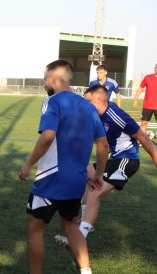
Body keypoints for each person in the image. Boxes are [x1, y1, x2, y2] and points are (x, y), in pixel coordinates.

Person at [19, 60, 109, 274]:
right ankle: (86, 271)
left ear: (52, 79)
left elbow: (47, 136)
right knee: (71, 223)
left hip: (51, 177)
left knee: (36, 226)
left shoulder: (52, 101)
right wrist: (97, 174)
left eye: (44, 79)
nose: (44, 84)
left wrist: (28, 164)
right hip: (77, 179)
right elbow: (103, 145)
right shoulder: (88, 106)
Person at [55, 85, 157, 246]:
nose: (84, 104)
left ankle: (79, 238)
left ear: (98, 100)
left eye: (87, 101)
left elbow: (144, 139)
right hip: (113, 160)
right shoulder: (96, 114)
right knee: (82, 173)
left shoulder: (116, 115)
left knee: (96, 192)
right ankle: (86, 221)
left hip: (127, 160)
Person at [133, 63, 157, 133]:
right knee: (144, 123)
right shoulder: (147, 77)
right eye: (156, 67)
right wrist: (135, 99)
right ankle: (142, 141)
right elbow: (140, 88)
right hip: (147, 105)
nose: (156, 69)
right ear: (154, 68)